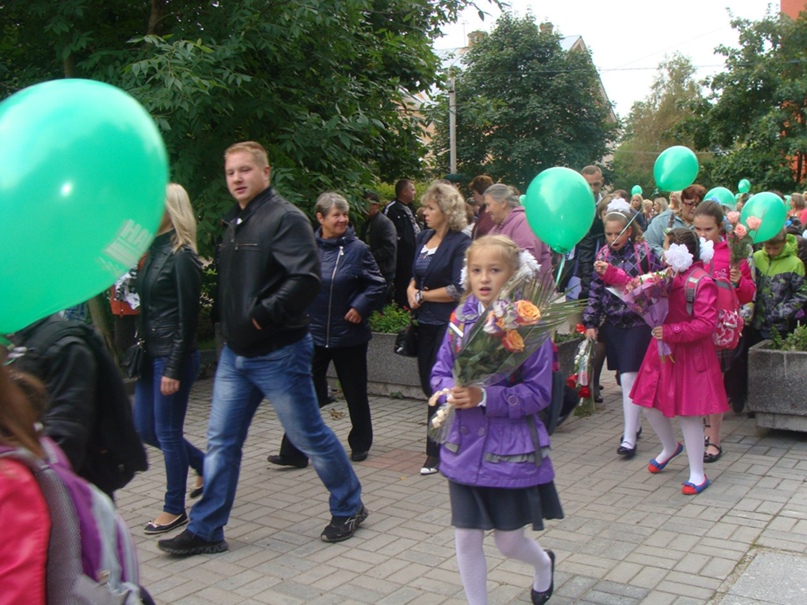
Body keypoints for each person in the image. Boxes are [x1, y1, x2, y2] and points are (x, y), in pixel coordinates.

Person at [157, 141, 366, 556]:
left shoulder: (284, 218)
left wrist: (259, 316)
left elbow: (305, 279)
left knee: (309, 436)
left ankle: (350, 504)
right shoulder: (235, 220)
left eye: (245, 170)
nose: (237, 177)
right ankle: (206, 530)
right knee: (221, 441)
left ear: (265, 173)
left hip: (280, 352)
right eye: (231, 171)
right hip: (237, 355)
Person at [430, 235, 562, 605]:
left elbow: (540, 394)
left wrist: (485, 396)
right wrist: (445, 390)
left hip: (509, 452)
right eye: (476, 270)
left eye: (494, 270)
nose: (484, 278)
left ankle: (543, 566)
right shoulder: (460, 318)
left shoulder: (528, 326)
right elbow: (442, 368)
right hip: (464, 446)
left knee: (508, 541)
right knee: (467, 537)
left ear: (513, 274)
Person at [269, 192, 386, 466]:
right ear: (320, 218)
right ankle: (293, 453)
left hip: (349, 335)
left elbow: (377, 283)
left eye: (345, 214)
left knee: (355, 393)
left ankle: (360, 443)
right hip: (313, 334)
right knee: (303, 393)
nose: (343, 219)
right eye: (336, 215)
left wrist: (360, 306)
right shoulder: (308, 247)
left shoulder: (358, 249)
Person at [631, 228, 729, 495]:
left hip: (688, 354)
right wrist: (610, 274)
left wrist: (672, 332)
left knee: (689, 413)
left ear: (678, 249)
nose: (662, 251)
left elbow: (706, 323)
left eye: (666, 245)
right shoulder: (669, 275)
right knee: (647, 402)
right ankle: (669, 447)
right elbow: (635, 284)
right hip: (662, 349)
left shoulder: (701, 280)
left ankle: (697, 472)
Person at [133, 183, 206, 535]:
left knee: (168, 432)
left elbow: (188, 319)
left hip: (172, 357)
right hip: (152, 354)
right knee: (146, 428)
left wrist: (174, 366)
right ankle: (207, 465)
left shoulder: (183, 257)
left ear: (170, 209)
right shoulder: (154, 250)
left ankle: (174, 508)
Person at [585, 203, 664, 459]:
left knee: (629, 376)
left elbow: (657, 281)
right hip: (615, 324)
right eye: (609, 234)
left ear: (629, 232)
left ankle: (629, 437)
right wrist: (590, 323)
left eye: (618, 233)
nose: (614, 239)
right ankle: (636, 424)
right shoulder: (603, 257)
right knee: (626, 376)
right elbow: (595, 292)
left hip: (639, 322)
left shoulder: (645, 253)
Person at [407, 182, 470, 476]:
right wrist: (411, 290)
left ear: (446, 210)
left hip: (447, 325)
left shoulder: (460, 243)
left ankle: (435, 452)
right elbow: (414, 276)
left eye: (431, 208)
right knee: (426, 384)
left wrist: (424, 296)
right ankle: (451, 437)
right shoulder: (423, 237)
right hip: (423, 324)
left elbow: (459, 288)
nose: (425, 212)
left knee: (439, 385)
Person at [692, 201, 756, 464]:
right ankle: (699, 433)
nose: (702, 234)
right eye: (697, 228)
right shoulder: (690, 249)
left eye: (708, 229)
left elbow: (748, 293)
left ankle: (714, 438)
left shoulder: (732, 252)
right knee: (697, 382)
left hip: (720, 328)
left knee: (715, 382)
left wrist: (738, 282)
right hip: (694, 326)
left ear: (721, 227)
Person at [484, 183, 553, 283]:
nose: (486, 210)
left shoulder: (524, 222)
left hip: (530, 295)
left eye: (488, 205)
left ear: (503, 203)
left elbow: (527, 261)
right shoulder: (497, 227)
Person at [384, 178, 421, 308]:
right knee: (402, 287)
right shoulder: (392, 210)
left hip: (414, 256)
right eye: (412, 189)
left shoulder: (411, 209)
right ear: (404, 192)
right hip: (401, 259)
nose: (415, 192)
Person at [645, 184, 706, 257]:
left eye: (698, 204)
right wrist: (663, 254)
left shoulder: (707, 225)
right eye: (690, 204)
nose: (694, 208)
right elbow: (647, 243)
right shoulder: (663, 220)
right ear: (682, 202)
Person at [359, 190, 397, 300]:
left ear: (376, 205)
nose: (364, 208)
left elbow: (389, 248)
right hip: (371, 270)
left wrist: (369, 257)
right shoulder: (366, 224)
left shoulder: (385, 223)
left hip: (384, 271)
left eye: (367, 205)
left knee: (380, 305)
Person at [469, 174, 495, 239]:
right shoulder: (484, 213)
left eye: (474, 193)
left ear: (482, 194)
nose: (474, 197)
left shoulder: (488, 215)